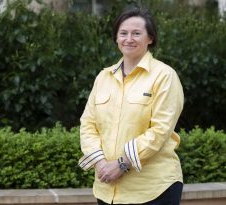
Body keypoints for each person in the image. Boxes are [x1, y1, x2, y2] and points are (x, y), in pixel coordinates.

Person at [78, 7, 184, 205]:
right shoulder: (103, 77)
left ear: (150, 38)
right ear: (116, 38)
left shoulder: (164, 76)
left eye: (137, 33)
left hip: (153, 189)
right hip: (107, 188)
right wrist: (101, 164)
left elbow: (160, 130)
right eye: (123, 33)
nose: (129, 39)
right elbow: (88, 124)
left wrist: (121, 164)